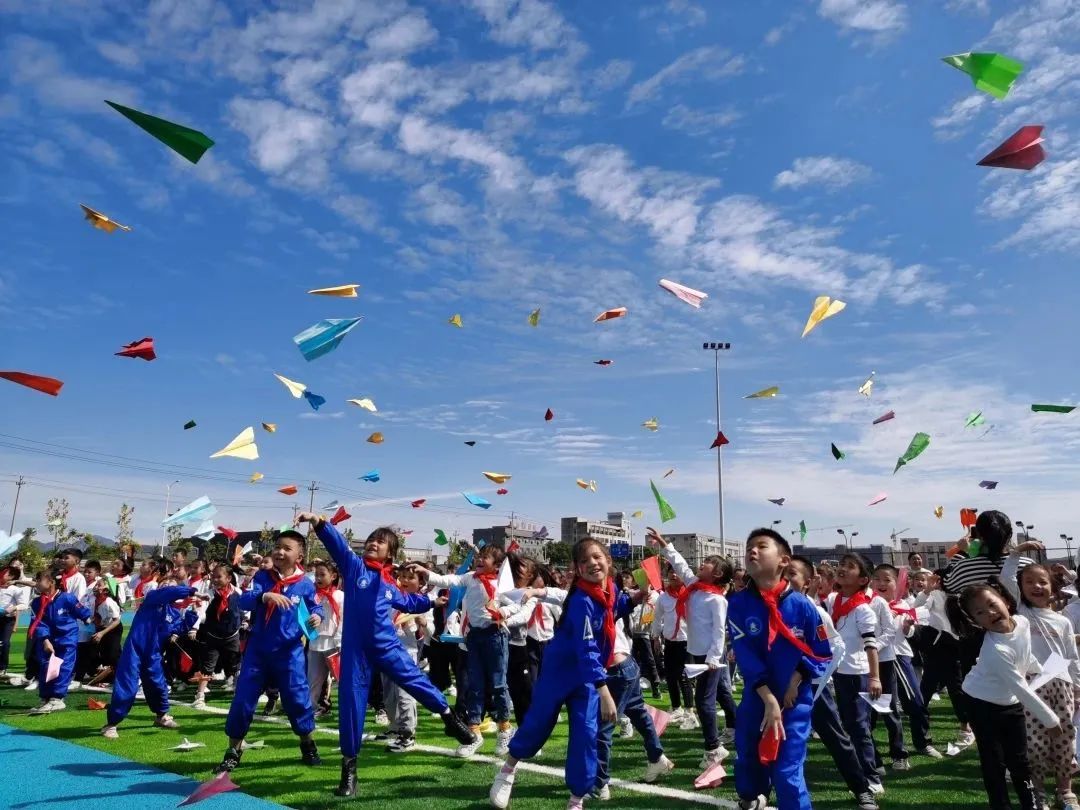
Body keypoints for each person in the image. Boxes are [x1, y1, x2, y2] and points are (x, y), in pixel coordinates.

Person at [300, 515, 475, 799]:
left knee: (416, 679)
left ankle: (448, 718)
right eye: (371, 540)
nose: (372, 543)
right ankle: (349, 769)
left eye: (380, 542)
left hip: (386, 646)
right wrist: (319, 523)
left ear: (390, 554)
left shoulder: (390, 585)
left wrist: (431, 601)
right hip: (356, 650)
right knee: (352, 705)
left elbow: (409, 601)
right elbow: (339, 546)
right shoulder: (354, 566)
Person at [489, 538, 621, 810]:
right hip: (561, 672)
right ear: (576, 568)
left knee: (586, 734)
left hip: (585, 678)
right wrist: (604, 689)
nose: (592, 564)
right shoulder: (581, 599)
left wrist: (638, 598)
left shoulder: (611, 591)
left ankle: (576, 800)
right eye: (584, 561)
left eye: (597, 557)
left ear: (608, 560)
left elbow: (612, 616)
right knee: (538, 723)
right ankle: (508, 770)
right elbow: (587, 647)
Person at [725, 529, 832, 810]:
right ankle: (752, 795)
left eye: (761, 546)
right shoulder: (738, 604)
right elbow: (746, 656)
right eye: (749, 547)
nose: (752, 551)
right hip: (757, 695)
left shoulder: (803, 607)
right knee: (747, 754)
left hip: (794, 700)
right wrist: (768, 698)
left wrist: (796, 679)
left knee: (787, 769)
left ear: (783, 561)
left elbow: (821, 653)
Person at [215, 529, 324, 774]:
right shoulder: (263, 576)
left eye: (287, 548)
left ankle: (308, 744)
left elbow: (315, 606)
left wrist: (317, 616)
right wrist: (264, 596)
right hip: (258, 651)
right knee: (243, 700)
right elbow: (242, 600)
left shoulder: (305, 585)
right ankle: (233, 750)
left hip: (290, 653)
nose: (280, 552)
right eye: (277, 547)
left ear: (299, 554)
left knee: (297, 701)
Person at [947, 580, 1062, 810]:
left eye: (991, 604)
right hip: (980, 703)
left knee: (1019, 760)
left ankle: (1030, 805)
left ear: (1006, 601)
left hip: (1009, 701)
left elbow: (1025, 654)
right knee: (994, 762)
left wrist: (1041, 669)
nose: (989, 612)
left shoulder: (1021, 622)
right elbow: (1021, 688)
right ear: (975, 621)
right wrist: (1051, 720)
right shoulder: (996, 650)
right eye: (980, 612)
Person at [786, 556, 878, 810]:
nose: (785, 578)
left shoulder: (815, 612)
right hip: (778, 689)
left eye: (792, 574)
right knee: (771, 739)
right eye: (783, 573)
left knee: (837, 738)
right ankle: (758, 791)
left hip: (812, 687)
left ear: (807, 582)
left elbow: (833, 649)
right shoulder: (770, 608)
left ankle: (861, 788)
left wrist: (810, 681)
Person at [1001, 549, 1080, 810]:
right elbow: (1007, 577)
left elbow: (1072, 656)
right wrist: (1016, 553)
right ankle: (1038, 794)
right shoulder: (1021, 613)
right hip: (1031, 686)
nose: (1037, 586)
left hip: (1062, 685)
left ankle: (1065, 790)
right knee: (1034, 743)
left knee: (1065, 737)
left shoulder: (1063, 620)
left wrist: (1077, 689)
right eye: (1030, 582)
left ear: (1053, 586)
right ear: (1021, 589)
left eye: (1043, 581)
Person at [420, 544, 517, 756]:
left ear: (498, 565)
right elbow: (449, 580)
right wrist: (427, 574)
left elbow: (516, 603)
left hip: (495, 635)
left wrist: (502, 611)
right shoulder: (471, 577)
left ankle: (504, 729)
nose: (480, 560)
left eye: (487, 557)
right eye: (480, 556)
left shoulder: (502, 584)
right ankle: (473, 733)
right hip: (473, 637)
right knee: (475, 684)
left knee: (499, 684)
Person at [653, 532, 738, 766]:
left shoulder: (718, 600)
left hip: (710, 657)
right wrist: (665, 545)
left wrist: (712, 658)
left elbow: (720, 632)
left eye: (708, 563)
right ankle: (737, 727)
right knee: (720, 693)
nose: (702, 563)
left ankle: (713, 748)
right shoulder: (694, 587)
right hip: (699, 653)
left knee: (704, 701)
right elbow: (681, 566)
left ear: (718, 574)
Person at [100, 582, 196, 737]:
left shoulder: (173, 612)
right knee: (128, 684)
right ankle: (111, 724)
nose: (169, 589)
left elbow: (178, 629)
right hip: (135, 648)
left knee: (158, 684)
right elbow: (170, 592)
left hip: (154, 653)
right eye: (166, 586)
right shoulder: (152, 599)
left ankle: (161, 716)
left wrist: (193, 612)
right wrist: (189, 590)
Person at [825, 553, 884, 795]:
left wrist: (874, 677)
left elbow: (871, 645)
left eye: (850, 567)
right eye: (841, 565)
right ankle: (868, 766)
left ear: (863, 580)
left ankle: (871, 777)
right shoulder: (833, 600)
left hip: (858, 674)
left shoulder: (863, 609)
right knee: (850, 724)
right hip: (840, 672)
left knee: (859, 727)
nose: (842, 569)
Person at [871, 564, 939, 763]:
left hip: (899, 657)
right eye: (877, 579)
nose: (882, 583)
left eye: (887, 579)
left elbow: (908, 632)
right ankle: (876, 754)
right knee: (877, 709)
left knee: (915, 703)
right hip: (874, 660)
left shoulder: (902, 607)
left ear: (897, 583)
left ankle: (922, 742)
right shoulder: (867, 605)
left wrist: (908, 627)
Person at [382, 564, 434, 752]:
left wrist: (424, 624)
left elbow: (432, 633)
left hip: (406, 654)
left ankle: (407, 734)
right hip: (386, 651)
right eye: (402, 576)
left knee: (405, 695)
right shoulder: (393, 598)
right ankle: (395, 727)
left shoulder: (423, 603)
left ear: (421, 583)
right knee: (389, 695)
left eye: (410, 578)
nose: (404, 581)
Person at [27, 569, 92, 714]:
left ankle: (57, 699)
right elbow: (38, 623)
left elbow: (81, 611)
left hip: (66, 639)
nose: (36, 583)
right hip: (48, 640)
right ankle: (45, 698)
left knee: (63, 668)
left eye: (39, 580)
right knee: (46, 667)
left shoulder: (67, 598)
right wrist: (44, 639)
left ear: (51, 582)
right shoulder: (37, 602)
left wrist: (88, 619)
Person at [651, 565, 696, 728]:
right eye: (670, 572)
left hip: (687, 641)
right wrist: (655, 637)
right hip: (670, 641)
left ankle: (689, 711)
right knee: (670, 676)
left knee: (684, 677)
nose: (673, 575)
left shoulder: (691, 595)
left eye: (676, 572)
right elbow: (657, 618)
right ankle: (676, 707)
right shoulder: (663, 597)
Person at [192, 564, 242, 709]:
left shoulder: (237, 593)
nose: (215, 579)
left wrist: (245, 622)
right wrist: (194, 628)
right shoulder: (209, 593)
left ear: (229, 578)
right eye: (213, 576)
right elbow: (201, 612)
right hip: (213, 635)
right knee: (208, 665)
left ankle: (238, 693)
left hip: (232, 635)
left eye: (219, 576)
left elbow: (245, 610)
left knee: (235, 664)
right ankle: (200, 696)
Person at [308, 559, 344, 719]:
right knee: (313, 679)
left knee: (340, 679)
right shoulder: (311, 595)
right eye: (316, 575)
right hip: (315, 642)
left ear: (334, 576)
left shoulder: (340, 596)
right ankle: (311, 709)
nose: (318, 578)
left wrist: (339, 640)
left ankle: (348, 711)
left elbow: (344, 619)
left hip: (334, 644)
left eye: (322, 574)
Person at [0, 564, 30, 677]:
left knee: (5, 643)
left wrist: (13, 608)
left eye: (5, 573)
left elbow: (24, 605)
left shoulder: (16, 590)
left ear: (12, 577)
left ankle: (2, 668)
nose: (2, 574)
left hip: (8, 619)